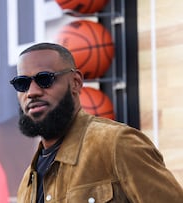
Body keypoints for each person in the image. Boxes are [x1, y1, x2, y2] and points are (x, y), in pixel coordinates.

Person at [10, 42, 183, 202]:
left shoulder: (117, 143)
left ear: (76, 82)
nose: (32, 92)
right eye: (22, 83)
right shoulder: (27, 182)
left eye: (44, 79)